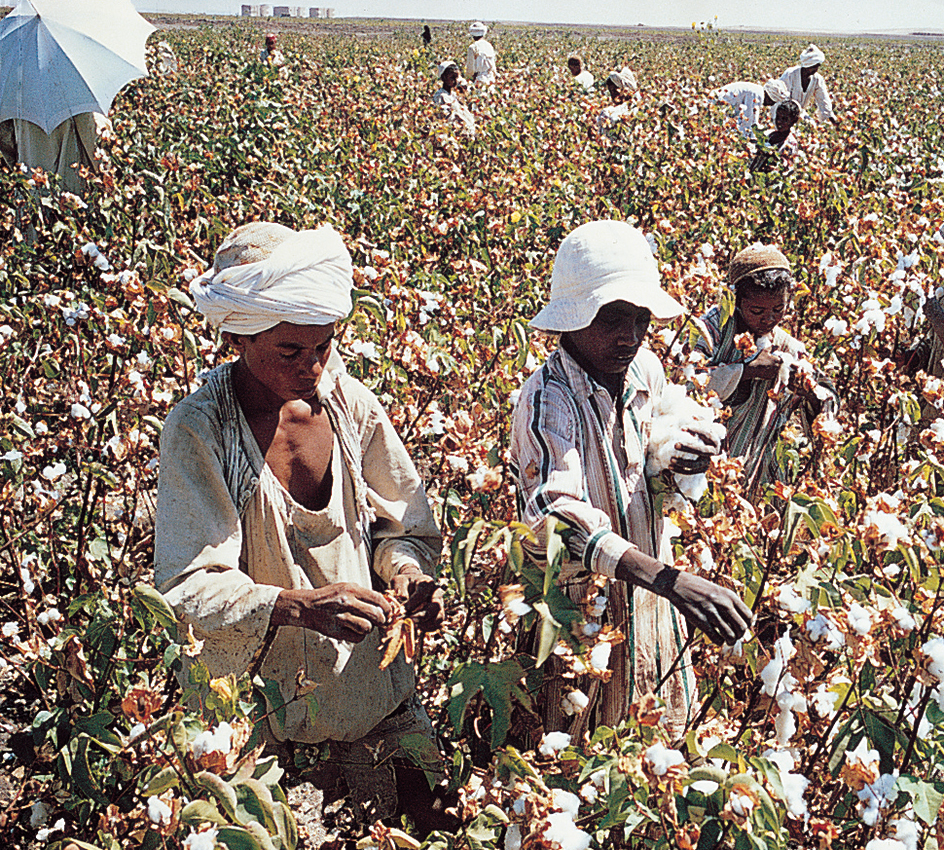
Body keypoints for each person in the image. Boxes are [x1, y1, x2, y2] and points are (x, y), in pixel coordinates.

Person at [153, 221, 454, 833]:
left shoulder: (349, 404)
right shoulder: (199, 430)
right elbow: (186, 586)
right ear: (239, 336)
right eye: (290, 351)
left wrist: (406, 572)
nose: (313, 365)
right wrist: (296, 605)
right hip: (261, 718)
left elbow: (405, 521)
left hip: (373, 694)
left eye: (324, 345)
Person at [510, 221, 753, 739]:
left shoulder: (643, 369)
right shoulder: (546, 399)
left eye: (640, 318)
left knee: (652, 754)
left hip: (649, 602)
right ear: (571, 319)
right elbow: (556, 518)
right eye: (612, 318)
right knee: (577, 759)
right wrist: (672, 581)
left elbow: (647, 452)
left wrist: (677, 459)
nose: (631, 335)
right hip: (583, 617)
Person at [693, 244, 836, 500]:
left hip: (757, 474)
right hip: (700, 471)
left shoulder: (787, 347)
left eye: (778, 310)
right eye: (757, 311)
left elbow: (828, 398)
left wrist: (808, 390)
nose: (768, 319)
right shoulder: (711, 329)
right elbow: (686, 381)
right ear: (736, 300)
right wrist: (746, 371)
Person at [0, 113, 112, 196]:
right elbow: (90, 132)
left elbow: (5, 138)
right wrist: (105, 173)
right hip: (72, 184)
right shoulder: (72, 84)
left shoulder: (13, 88)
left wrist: (22, 167)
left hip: (32, 187)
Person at [780, 44, 839, 127]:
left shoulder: (817, 79)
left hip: (800, 114)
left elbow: (823, 99)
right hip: (782, 115)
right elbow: (781, 97)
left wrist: (831, 117)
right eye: (814, 67)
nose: (816, 70)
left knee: (812, 126)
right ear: (808, 65)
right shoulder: (790, 74)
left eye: (817, 67)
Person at [710, 78, 790, 138]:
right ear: (771, 98)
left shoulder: (756, 90)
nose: (771, 104)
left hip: (716, 105)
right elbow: (748, 123)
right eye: (773, 102)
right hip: (715, 106)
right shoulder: (757, 95)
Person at [749, 99, 800, 173]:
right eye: (778, 117)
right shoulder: (768, 134)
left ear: (793, 121)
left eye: (784, 119)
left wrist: (775, 167)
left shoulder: (791, 144)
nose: (779, 121)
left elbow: (788, 169)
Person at [432, 61, 475, 136]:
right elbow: (445, 118)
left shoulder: (455, 95)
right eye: (452, 77)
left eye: (456, 77)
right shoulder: (440, 96)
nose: (455, 80)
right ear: (444, 78)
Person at [595, 67, 637, 138]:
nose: (613, 95)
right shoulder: (608, 112)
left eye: (615, 90)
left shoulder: (635, 109)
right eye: (611, 91)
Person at [466, 21, 497, 86]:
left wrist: (469, 80)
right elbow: (493, 67)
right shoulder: (489, 46)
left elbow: (470, 70)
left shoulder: (472, 47)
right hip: (491, 80)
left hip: (479, 81)